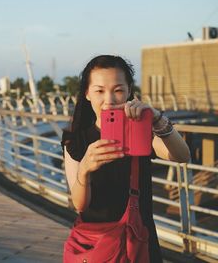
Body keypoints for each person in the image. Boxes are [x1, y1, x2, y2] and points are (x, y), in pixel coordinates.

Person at [61, 55, 190, 262]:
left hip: (138, 241)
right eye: (99, 91)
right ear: (87, 93)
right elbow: (80, 205)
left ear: (129, 91)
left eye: (118, 90)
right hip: (96, 246)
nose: (109, 100)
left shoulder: (139, 131)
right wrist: (84, 169)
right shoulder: (76, 140)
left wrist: (157, 119)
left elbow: (182, 156)